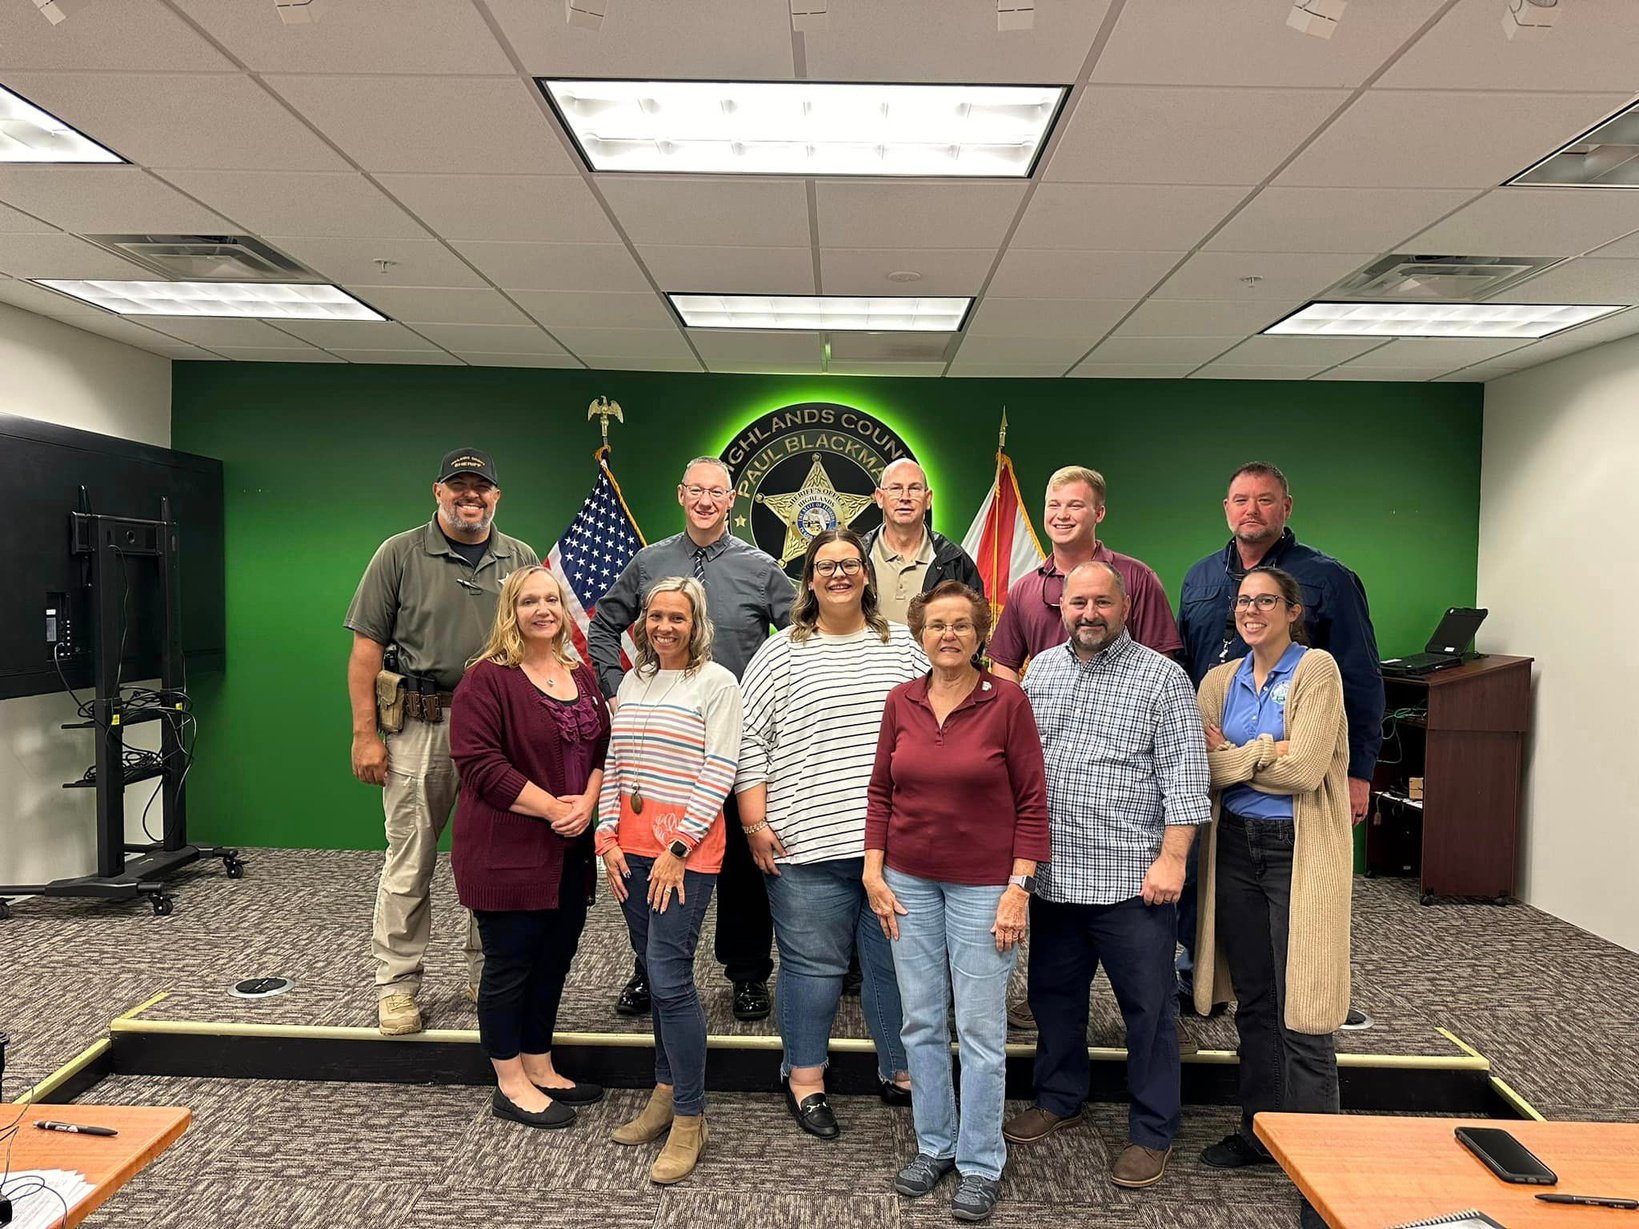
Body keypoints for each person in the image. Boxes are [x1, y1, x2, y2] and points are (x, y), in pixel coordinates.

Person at [1003, 561, 1210, 1192]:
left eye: (1102, 602)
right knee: (1053, 1001)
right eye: (1077, 603)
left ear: (1125, 607)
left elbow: (1186, 774)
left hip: (1133, 881)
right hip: (1056, 878)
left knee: (1147, 1011)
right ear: (1060, 608)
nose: (1089, 613)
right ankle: (1059, 1096)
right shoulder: (1040, 672)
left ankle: (1153, 1129)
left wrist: (1173, 858)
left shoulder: (1163, 678)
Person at [864, 580, 1049, 1223]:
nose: (948, 634)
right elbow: (881, 793)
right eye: (936, 624)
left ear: (979, 634)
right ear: (920, 634)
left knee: (977, 1029)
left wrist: (1018, 889)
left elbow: (1032, 802)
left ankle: (979, 1161)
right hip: (908, 881)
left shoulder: (1008, 702)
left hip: (983, 889)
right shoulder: (901, 701)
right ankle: (934, 1144)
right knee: (920, 1022)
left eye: (961, 625)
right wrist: (874, 871)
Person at [589, 456, 793, 1023]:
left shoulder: (759, 567)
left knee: (741, 870)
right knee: (649, 856)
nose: (706, 501)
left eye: (717, 492)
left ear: (732, 501)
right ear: (681, 496)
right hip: (663, 750)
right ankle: (647, 968)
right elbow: (603, 625)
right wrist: (616, 689)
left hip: (734, 740)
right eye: (696, 491)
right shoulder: (650, 561)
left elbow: (800, 630)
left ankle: (747, 974)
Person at [1175, 462, 1383, 1018]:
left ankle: (1314, 1001)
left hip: (1302, 777)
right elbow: (1188, 666)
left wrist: (1357, 770)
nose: (1252, 510)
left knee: (1305, 911)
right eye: (1240, 499)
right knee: (1208, 884)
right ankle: (1213, 981)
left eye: (1265, 500)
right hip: (1216, 768)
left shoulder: (1328, 578)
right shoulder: (1198, 578)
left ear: (1285, 507)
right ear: (1226, 508)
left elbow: (1361, 678)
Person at [736, 528, 925, 1140]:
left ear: (866, 575)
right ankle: (806, 1078)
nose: (838, 575)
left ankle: (899, 1070)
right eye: (825, 566)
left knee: (894, 966)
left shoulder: (903, 648)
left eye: (849, 564)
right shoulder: (780, 652)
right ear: (809, 580)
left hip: (894, 847)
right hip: (804, 845)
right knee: (812, 968)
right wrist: (755, 823)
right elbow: (750, 743)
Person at [345, 448, 540, 1036]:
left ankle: (489, 971)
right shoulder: (398, 553)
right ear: (438, 492)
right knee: (411, 859)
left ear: (496, 496)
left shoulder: (521, 557)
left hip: (498, 729)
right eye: (459, 486)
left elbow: (538, 642)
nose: (470, 496)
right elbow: (365, 652)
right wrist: (364, 734)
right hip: (421, 724)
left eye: (481, 487)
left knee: (495, 859)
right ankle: (397, 985)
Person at [1192, 567, 1350, 1229]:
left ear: (1291, 610)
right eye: (1243, 600)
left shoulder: (1317, 670)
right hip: (1234, 851)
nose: (1251, 609)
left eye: (1265, 600)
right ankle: (1260, 1132)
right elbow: (1200, 764)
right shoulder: (1217, 680)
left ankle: (1323, 1175)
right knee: (1255, 1001)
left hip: (1298, 851)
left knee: (1305, 1010)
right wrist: (1266, 748)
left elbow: (1307, 768)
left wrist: (1239, 751)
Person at [449, 566, 609, 1130]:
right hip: (507, 848)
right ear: (510, 611)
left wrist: (586, 804)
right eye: (528, 601)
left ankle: (539, 1060)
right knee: (511, 962)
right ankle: (509, 1079)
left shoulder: (579, 671)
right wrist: (553, 808)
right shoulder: (486, 679)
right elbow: (478, 766)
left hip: (570, 849)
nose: (542, 610)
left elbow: (600, 751)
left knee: (554, 958)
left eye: (551, 599)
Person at [595, 577, 743, 1185]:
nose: (664, 627)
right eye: (655, 617)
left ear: (696, 623)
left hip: (682, 855)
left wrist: (679, 846)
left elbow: (722, 767)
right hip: (628, 851)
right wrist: (605, 837)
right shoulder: (634, 679)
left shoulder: (716, 683)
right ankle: (663, 1090)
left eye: (676, 618)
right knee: (653, 973)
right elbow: (616, 761)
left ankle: (690, 1116)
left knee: (671, 978)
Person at [989, 465, 1181, 680]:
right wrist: (1021, 712)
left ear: (1099, 513)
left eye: (1075, 506)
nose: (1062, 515)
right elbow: (1004, 662)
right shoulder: (1024, 589)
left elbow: (1160, 662)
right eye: (1054, 505)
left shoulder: (1138, 578)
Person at [861, 457, 984, 625]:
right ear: (880, 497)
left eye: (914, 488)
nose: (905, 497)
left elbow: (977, 627)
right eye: (896, 488)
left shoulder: (953, 561)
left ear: (928, 498)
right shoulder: (857, 557)